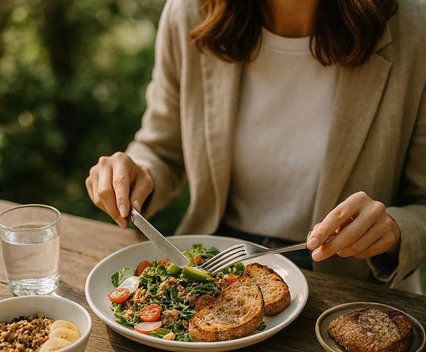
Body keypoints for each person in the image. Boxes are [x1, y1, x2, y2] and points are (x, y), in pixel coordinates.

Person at [86, 0, 426, 293]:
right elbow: (161, 150)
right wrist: (134, 174)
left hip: (347, 289)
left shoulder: (415, 27)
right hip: (214, 270)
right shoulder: (190, 12)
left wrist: (393, 230)